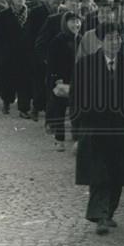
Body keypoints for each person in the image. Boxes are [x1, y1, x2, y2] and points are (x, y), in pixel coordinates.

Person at [70, 22, 124, 235]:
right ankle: (100, 215)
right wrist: (77, 132)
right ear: (100, 40)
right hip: (94, 127)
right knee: (99, 173)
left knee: (116, 173)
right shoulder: (86, 65)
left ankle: (108, 213)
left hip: (120, 129)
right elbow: (76, 99)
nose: (115, 42)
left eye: (118, 38)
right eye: (110, 38)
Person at [47, 11, 83, 150]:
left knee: (77, 110)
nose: (76, 24)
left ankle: (77, 139)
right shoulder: (58, 40)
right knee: (60, 110)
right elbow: (52, 62)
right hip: (61, 79)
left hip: (78, 79)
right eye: (72, 21)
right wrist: (57, 78)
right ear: (65, 23)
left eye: (78, 21)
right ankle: (59, 138)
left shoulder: (81, 39)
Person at [0, 0, 30, 115]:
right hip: (8, 53)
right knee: (7, 79)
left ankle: (23, 108)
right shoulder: (4, 15)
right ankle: (6, 102)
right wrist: (4, 50)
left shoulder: (30, 14)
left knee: (24, 81)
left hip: (25, 53)